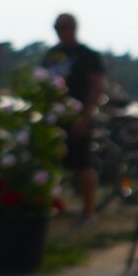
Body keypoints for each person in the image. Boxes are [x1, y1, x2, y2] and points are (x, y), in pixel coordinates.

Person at [41, 12, 107, 225]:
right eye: (56, 27)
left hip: (78, 118)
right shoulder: (51, 55)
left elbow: (97, 87)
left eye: (62, 27)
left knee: (81, 164)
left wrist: (85, 117)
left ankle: (88, 212)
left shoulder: (87, 55)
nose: (59, 32)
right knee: (49, 164)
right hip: (53, 119)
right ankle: (52, 206)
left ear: (73, 28)